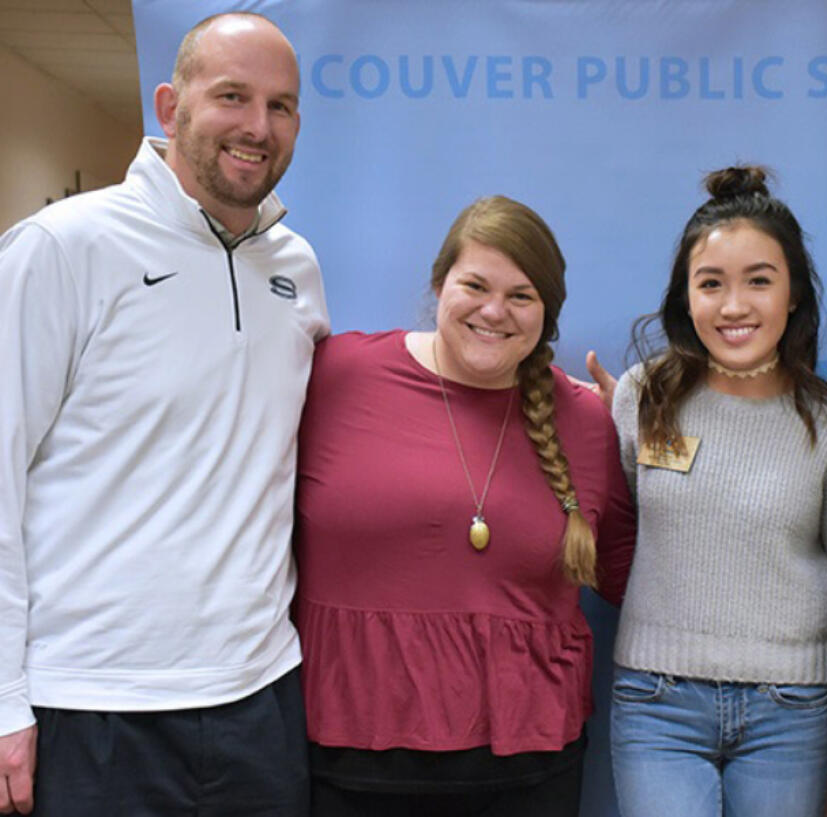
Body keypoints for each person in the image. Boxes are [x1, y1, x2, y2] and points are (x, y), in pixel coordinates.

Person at [0, 12, 327, 817]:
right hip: (91, 703)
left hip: (260, 698)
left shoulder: (298, 268)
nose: (258, 126)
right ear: (169, 106)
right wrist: (4, 700)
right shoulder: (61, 247)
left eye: (280, 106)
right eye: (232, 96)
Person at [293, 195, 636, 817]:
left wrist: (648, 439)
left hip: (527, 766)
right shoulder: (337, 374)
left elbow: (629, 575)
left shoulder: (585, 420)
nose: (493, 311)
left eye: (521, 296)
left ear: (546, 314)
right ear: (438, 284)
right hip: (350, 756)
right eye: (474, 284)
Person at [606, 166, 827, 817]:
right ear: (685, 297)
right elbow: (627, 517)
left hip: (791, 711)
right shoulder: (642, 396)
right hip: (657, 706)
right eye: (711, 283)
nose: (734, 305)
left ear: (793, 293)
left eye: (759, 281)